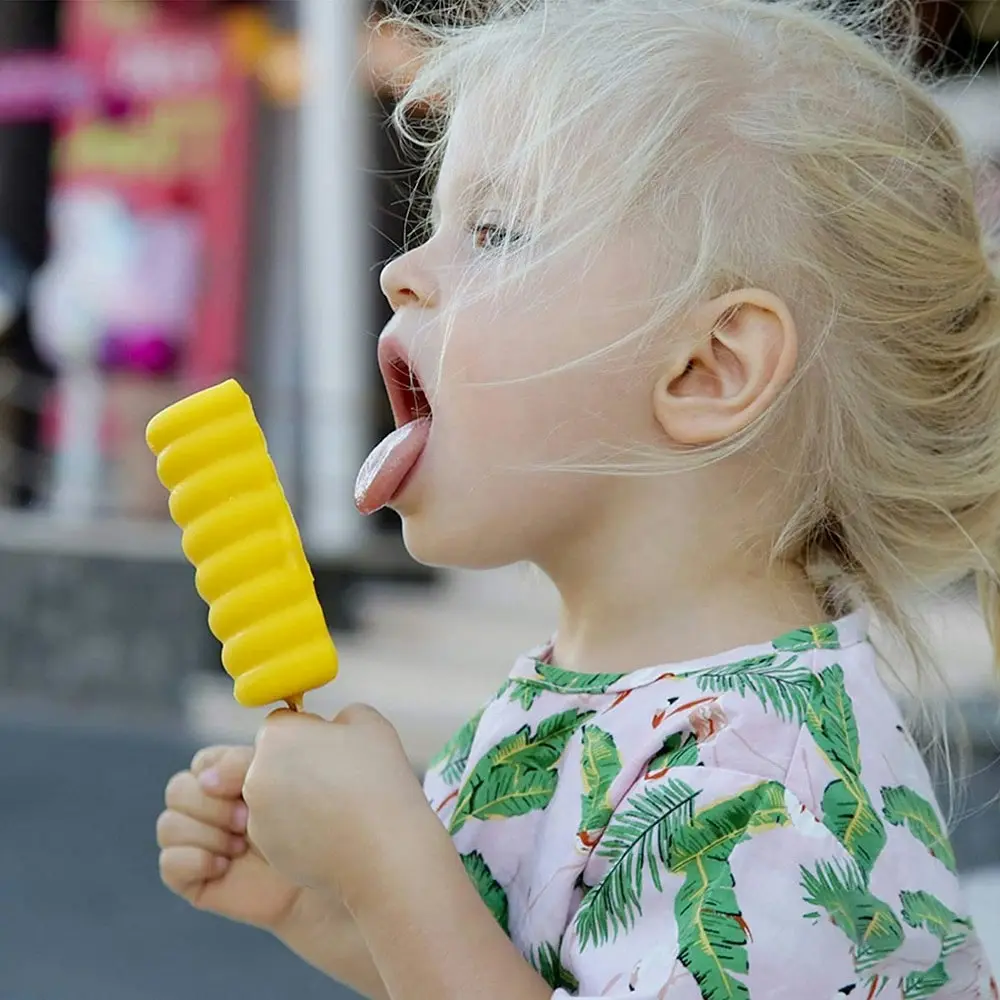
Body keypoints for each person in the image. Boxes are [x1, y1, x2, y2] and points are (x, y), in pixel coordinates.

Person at [155, 1, 1000, 997]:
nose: (401, 273)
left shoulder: (760, 791)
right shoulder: (580, 696)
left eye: (496, 232)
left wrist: (390, 866)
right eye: (436, 227)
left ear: (705, 369)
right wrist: (321, 903)